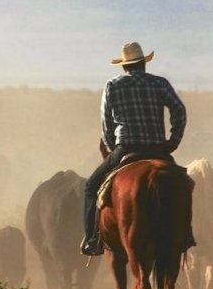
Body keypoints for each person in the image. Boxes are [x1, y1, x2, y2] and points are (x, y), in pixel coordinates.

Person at [80, 41, 187, 256]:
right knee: (184, 185)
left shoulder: (112, 86)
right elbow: (179, 110)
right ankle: (186, 233)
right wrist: (172, 141)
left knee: (91, 187)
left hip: (126, 148)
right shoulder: (159, 83)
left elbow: (106, 125)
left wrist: (111, 148)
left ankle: (94, 239)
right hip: (158, 149)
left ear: (124, 66)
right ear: (143, 64)